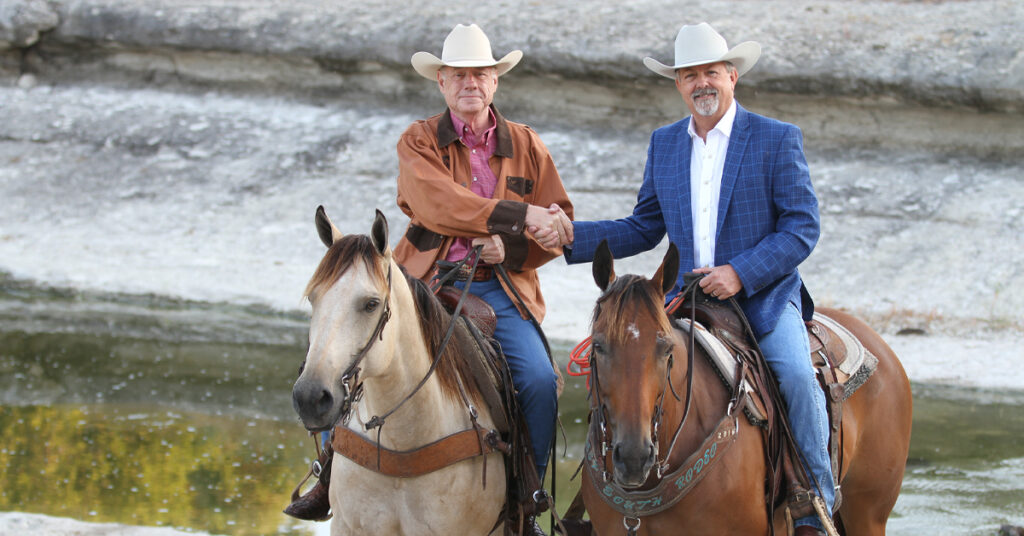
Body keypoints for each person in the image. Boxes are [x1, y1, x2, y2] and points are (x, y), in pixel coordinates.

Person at [537, 22, 832, 536]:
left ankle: (813, 503)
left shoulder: (776, 138)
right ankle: (602, 496)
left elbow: (802, 226)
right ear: (678, 84)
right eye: (690, 75)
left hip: (760, 297)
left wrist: (740, 272)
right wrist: (570, 237)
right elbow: (643, 226)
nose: (702, 83)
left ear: (732, 76)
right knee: (625, 371)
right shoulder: (666, 143)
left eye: (711, 72)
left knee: (795, 377)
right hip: (681, 300)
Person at [285, 24, 574, 536]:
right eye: (459, 74)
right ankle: (328, 473)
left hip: (500, 287)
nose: (471, 82)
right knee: (350, 351)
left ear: (495, 81)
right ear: (441, 82)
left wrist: (511, 245)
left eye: (480, 73)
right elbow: (437, 203)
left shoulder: (527, 145)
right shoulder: (419, 141)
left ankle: (526, 496)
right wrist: (516, 215)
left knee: (538, 379)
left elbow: (559, 224)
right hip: (422, 280)